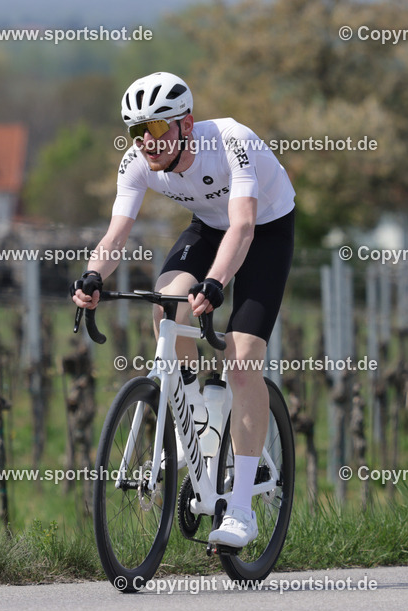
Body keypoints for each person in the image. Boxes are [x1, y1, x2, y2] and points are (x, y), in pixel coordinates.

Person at [71, 72, 295, 547]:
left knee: (241, 363)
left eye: (156, 129)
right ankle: (194, 419)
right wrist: (94, 276)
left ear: (186, 124)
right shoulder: (137, 162)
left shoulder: (233, 141)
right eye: (137, 131)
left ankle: (240, 510)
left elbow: (244, 226)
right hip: (210, 228)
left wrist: (216, 283)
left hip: (263, 229)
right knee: (167, 306)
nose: (146, 143)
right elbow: (115, 236)